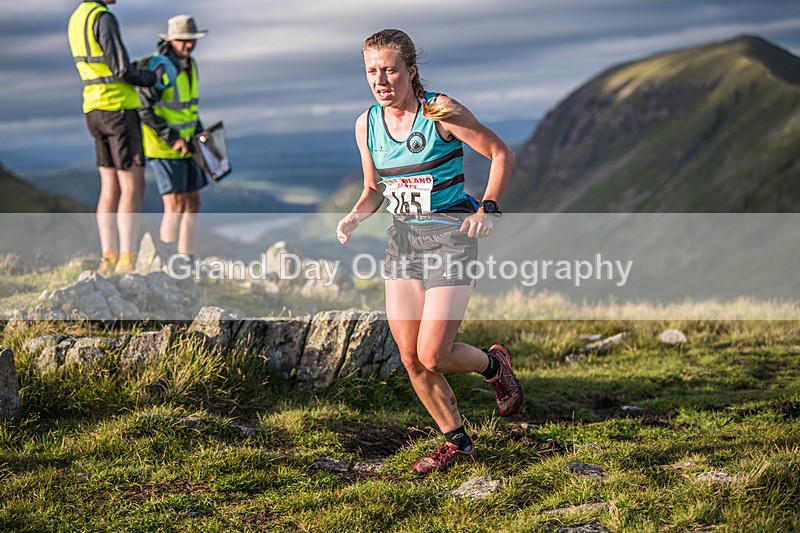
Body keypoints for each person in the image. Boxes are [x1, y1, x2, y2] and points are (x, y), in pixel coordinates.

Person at [336, 29, 523, 475]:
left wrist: (487, 209)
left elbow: (501, 154)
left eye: (390, 70)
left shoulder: (440, 110)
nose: (381, 80)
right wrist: (355, 216)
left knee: (434, 354)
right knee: (410, 357)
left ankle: (494, 365)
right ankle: (458, 443)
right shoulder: (366, 124)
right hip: (403, 241)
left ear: (411, 70)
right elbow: (373, 188)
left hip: (450, 238)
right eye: (372, 71)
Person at [68, 0, 162, 275]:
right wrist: (152, 77)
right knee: (132, 186)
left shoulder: (77, 18)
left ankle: (108, 256)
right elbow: (122, 71)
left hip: (93, 108)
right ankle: (127, 258)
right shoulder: (103, 17)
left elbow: (100, 65)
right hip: (119, 109)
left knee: (109, 187)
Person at [139, 15, 208, 259]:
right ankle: (166, 261)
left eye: (192, 39)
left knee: (193, 203)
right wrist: (172, 138)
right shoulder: (158, 67)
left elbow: (189, 109)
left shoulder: (192, 65)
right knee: (175, 204)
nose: (189, 45)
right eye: (182, 40)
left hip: (188, 145)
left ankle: (186, 259)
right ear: (171, 40)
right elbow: (144, 109)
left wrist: (201, 136)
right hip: (164, 148)